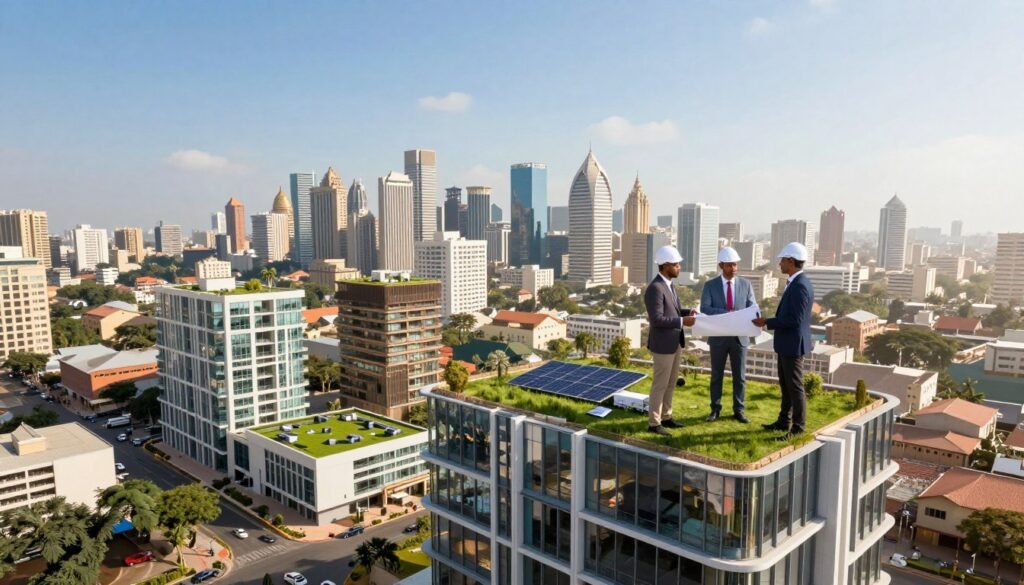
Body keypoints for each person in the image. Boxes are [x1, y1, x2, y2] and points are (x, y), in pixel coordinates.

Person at [752, 242, 814, 440]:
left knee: (795, 387)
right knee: (786, 386)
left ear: (791, 261)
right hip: (788, 343)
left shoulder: (800, 286)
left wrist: (767, 322)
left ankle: (797, 428)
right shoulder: (796, 283)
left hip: (792, 344)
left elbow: (794, 319)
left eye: (782, 260)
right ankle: (783, 421)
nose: (779, 264)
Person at [644, 245, 698, 435]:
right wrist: (684, 321)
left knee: (670, 382)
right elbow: (657, 319)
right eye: (676, 265)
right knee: (660, 384)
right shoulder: (655, 289)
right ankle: (654, 423)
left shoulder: (669, 285)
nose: (679, 268)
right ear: (666, 265)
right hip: (663, 345)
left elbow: (672, 312)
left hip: (675, 342)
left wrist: (687, 312)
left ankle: (666, 417)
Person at [699, 247, 756, 423]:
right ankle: (715, 409)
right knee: (717, 375)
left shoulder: (746, 285)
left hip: (740, 337)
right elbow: (705, 308)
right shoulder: (710, 286)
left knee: (740, 376)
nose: (733, 268)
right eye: (730, 265)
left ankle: (739, 410)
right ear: (721, 265)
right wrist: (726, 313)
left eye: (735, 264)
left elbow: (752, 307)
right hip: (718, 338)